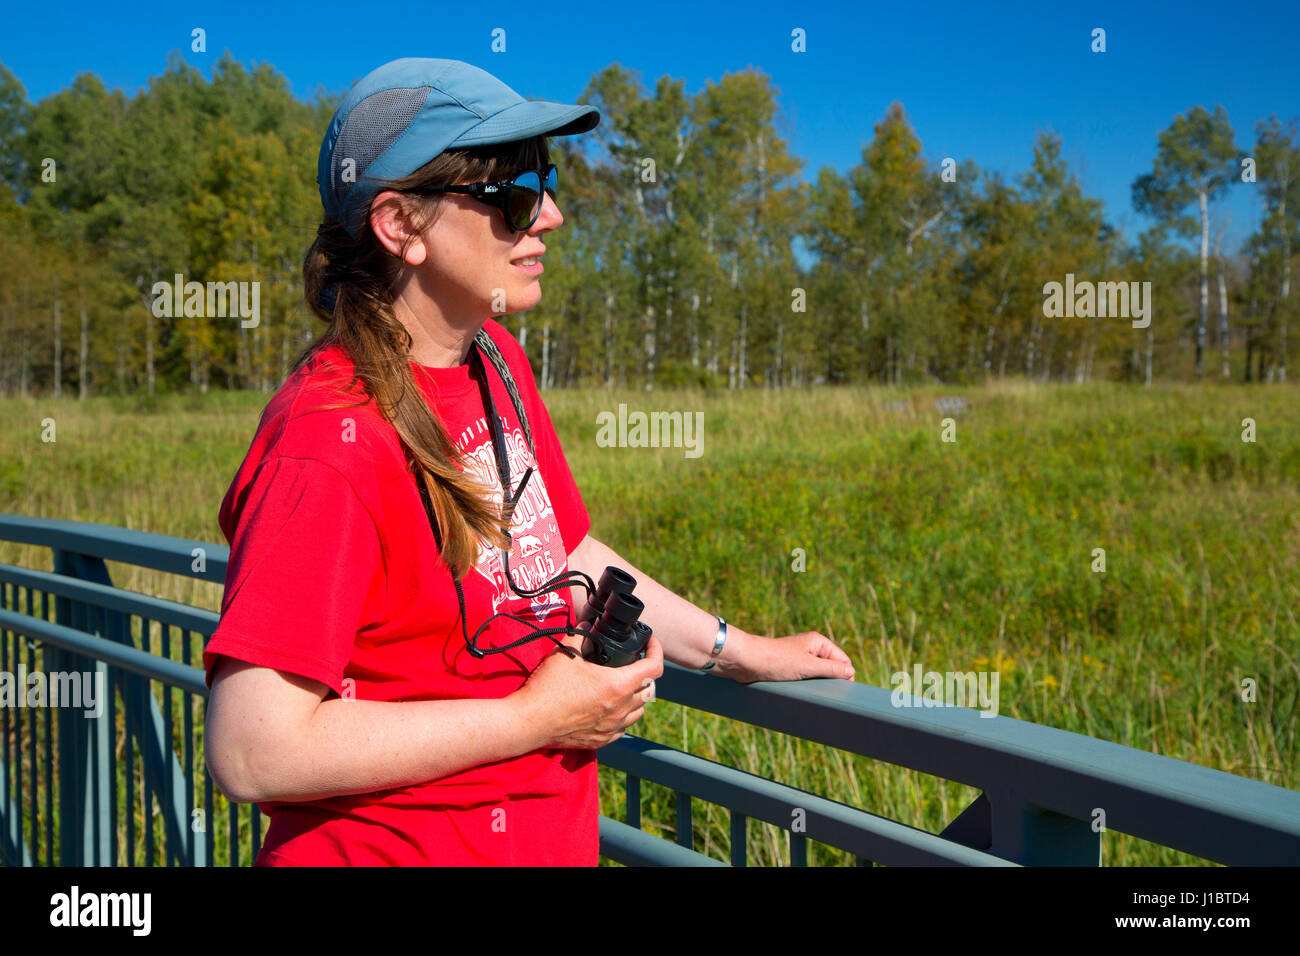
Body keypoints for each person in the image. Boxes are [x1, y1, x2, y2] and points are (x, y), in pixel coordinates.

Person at [202, 57, 855, 867]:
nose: (549, 214)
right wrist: (537, 718)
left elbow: (561, 554)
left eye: (542, 182)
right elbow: (252, 748)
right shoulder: (329, 440)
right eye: (510, 196)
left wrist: (742, 652)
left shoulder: (495, 362)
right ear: (400, 224)